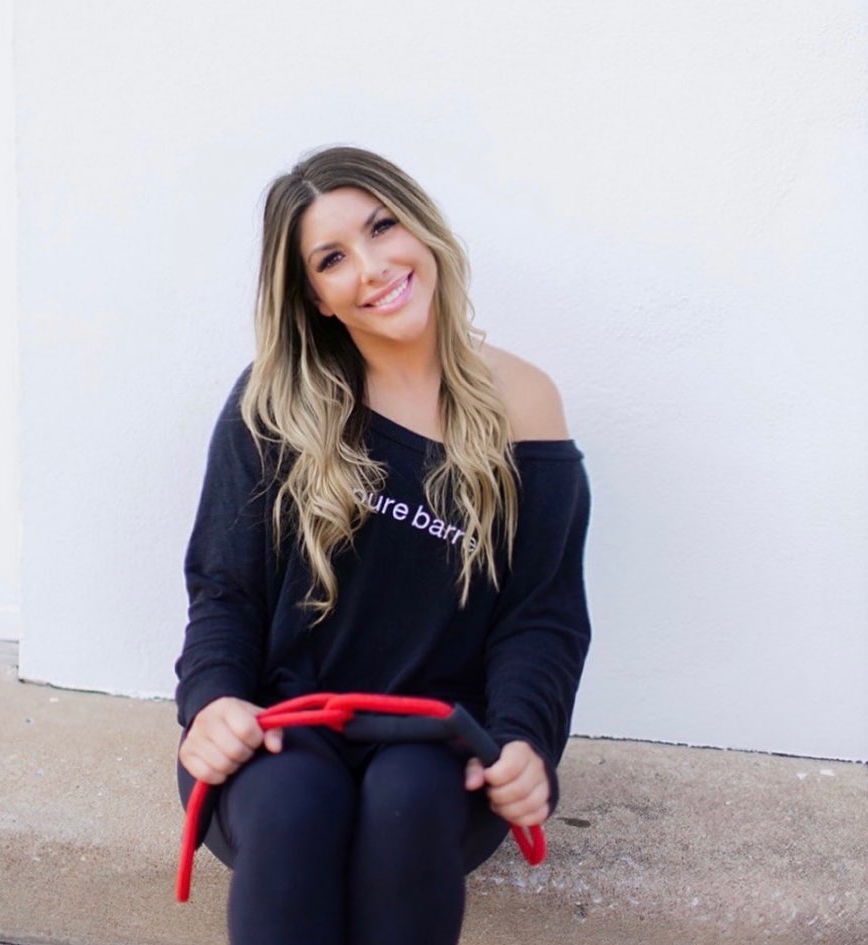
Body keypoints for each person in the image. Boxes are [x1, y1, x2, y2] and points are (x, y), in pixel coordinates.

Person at [174, 145, 591, 945]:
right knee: (295, 805)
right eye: (331, 258)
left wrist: (524, 737)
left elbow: (541, 613)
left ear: (421, 228)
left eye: (381, 226)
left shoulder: (524, 401)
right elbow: (225, 587)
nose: (371, 268)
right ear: (315, 297)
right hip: (280, 721)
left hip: (442, 736)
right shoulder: (274, 401)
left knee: (408, 800)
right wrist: (213, 700)